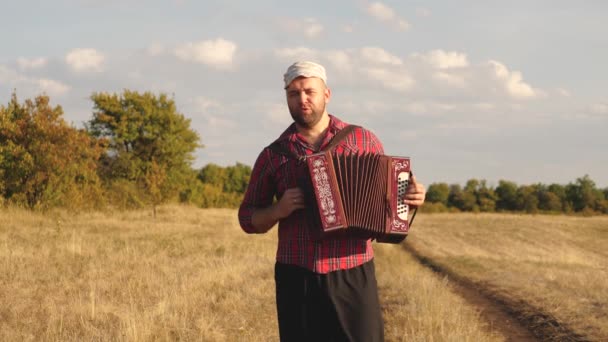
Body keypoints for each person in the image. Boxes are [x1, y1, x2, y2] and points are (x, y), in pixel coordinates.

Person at [238, 61, 426, 342]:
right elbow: (247, 218)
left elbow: (388, 201)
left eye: (309, 91)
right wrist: (278, 210)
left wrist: (410, 199)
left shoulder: (364, 140)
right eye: (294, 93)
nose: (302, 99)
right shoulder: (274, 155)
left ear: (327, 94)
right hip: (296, 274)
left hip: (352, 270)